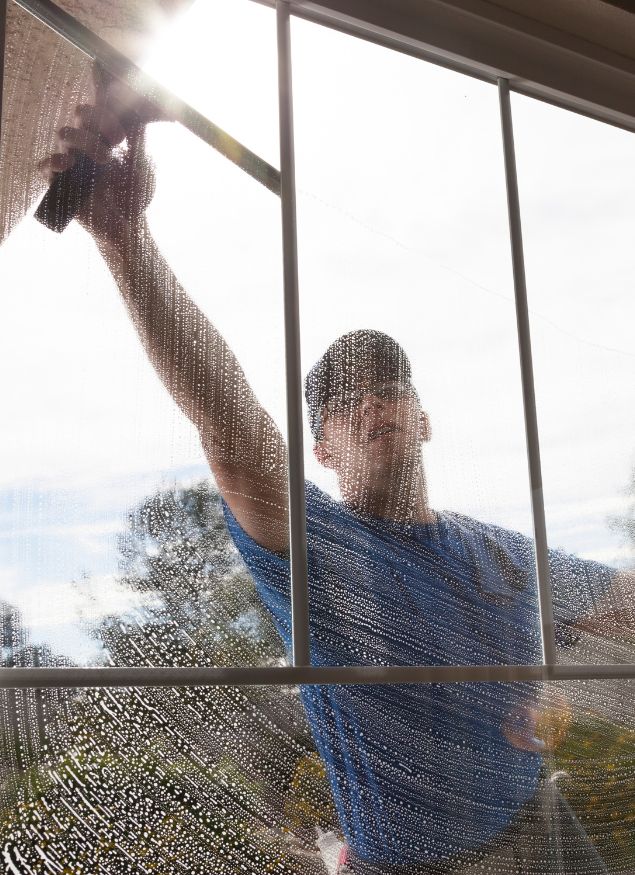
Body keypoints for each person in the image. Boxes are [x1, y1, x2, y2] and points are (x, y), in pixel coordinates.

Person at [40, 74, 632, 874]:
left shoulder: (500, 554)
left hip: (548, 829)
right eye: (344, 402)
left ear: (423, 419)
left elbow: (619, 605)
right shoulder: (321, 548)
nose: (371, 404)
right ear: (320, 449)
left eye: (390, 387)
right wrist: (123, 237)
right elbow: (233, 431)